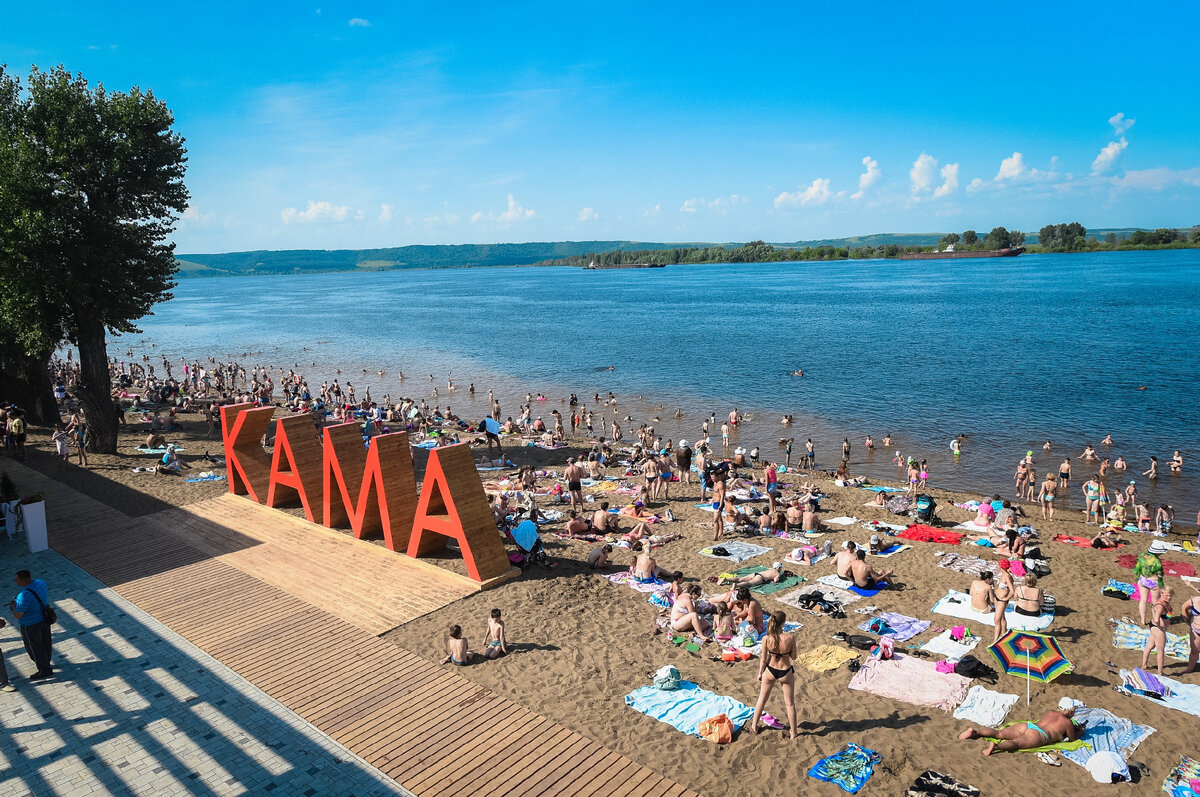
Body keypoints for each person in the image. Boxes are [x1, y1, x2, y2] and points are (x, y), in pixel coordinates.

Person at [750, 612, 798, 740]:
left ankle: (754, 726)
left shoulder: (767, 638)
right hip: (785, 671)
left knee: (761, 700)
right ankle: (793, 733)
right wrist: (785, 653)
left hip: (770, 670)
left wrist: (760, 673)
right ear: (783, 623)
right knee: (790, 704)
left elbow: (763, 659)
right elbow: (794, 657)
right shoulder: (789, 638)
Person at [958, 708, 1084, 755]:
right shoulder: (1068, 723)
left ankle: (975, 732)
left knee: (999, 733)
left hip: (1029, 725)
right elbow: (1072, 739)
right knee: (1016, 744)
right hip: (1040, 735)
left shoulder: (1051, 711)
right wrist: (1080, 731)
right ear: (1072, 714)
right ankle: (996, 746)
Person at [11, 570, 53, 680]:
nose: (15, 582)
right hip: (44, 619)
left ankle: (44, 670)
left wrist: (13, 608)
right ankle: (46, 662)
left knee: (34, 648)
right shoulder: (41, 583)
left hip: (30, 625)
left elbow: (18, 615)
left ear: (22, 580)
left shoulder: (24, 596)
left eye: (16, 580)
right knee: (46, 642)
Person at [1142, 588, 1174, 676]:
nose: (1169, 597)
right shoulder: (1160, 605)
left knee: (1150, 646)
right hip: (1158, 628)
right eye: (1167, 595)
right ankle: (1160, 672)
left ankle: (1144, 665)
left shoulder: (1166, 603)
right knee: (1160, 651)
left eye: (1170, 595)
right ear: (1162, 593)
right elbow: (1156, 619)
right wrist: (1160, 628)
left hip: (1154, 627)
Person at [1134, 541, 1167, 625]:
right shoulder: (1157, 561)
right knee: (1155, 602)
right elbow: (1160, 575)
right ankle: (1154, 620)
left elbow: (1137, 568)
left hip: (1142, 580)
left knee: (1143, 600)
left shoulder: (1142, 556)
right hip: (1153, 582)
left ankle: (1143, 620)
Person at [718, 562, 790, 588]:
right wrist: (776, 580)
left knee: (739, 579)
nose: (781, 569)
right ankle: (736, 585)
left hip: (756, 574)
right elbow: (776, 580)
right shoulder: (777, 573)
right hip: (761, 578)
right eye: (780, 568)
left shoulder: (770, 569)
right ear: (778, 568)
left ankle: (726, 579)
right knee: (749, 583)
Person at [993, 561, 1014, 644]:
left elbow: (1012, 591)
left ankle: (996, 640)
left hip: (1002, 600)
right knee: (1001, 618)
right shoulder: (1003, 574)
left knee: (996, 620)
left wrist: (1006, 599)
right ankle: (1003, 635)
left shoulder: (1007, 576)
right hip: (997, 597)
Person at [1182, 591, 1200, 674]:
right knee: (1194, 651)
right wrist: (1186, 619)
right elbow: (1184, 607)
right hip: (1195, 630)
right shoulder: (1195, 600)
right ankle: (1190, 668)